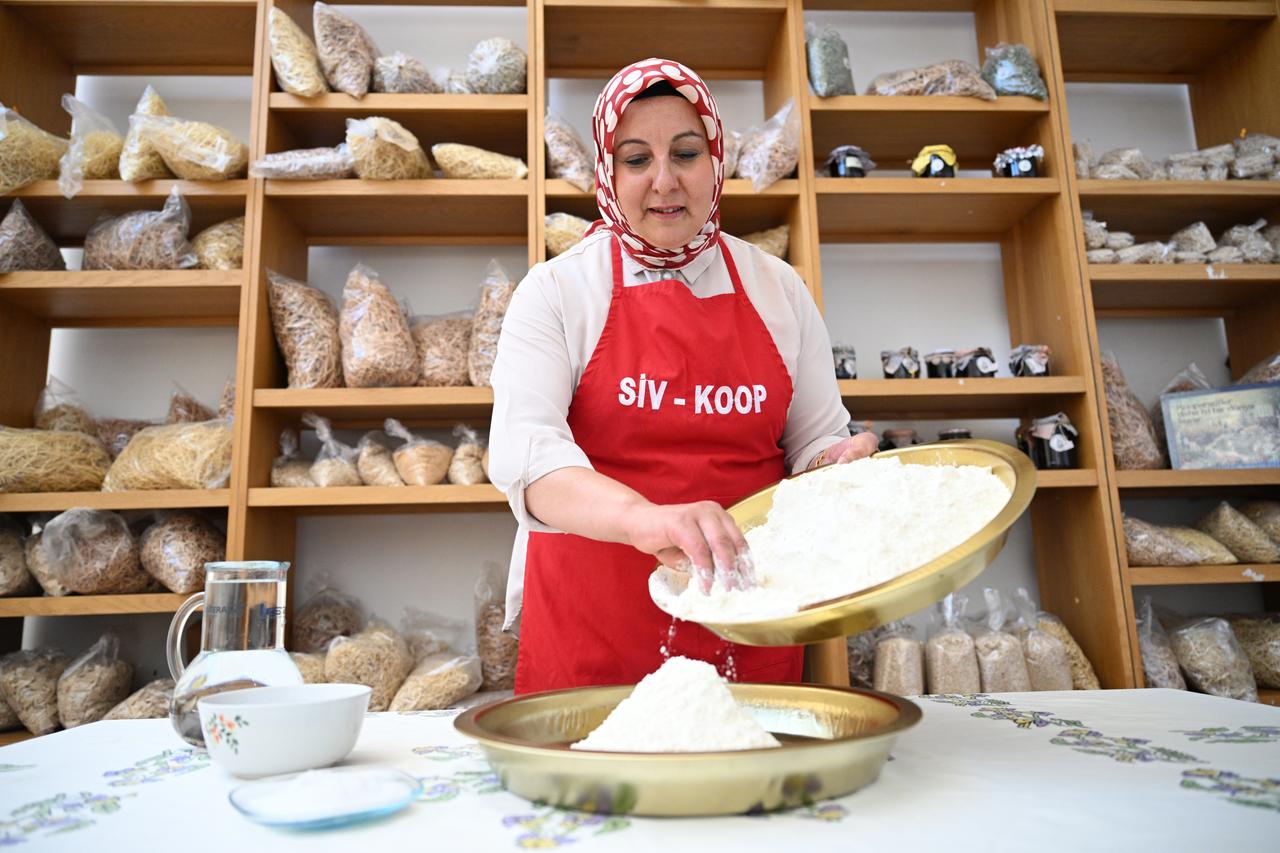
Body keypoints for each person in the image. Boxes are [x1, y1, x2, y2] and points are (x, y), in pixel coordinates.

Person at [488, 58, 877, 694]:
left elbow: (812, 442)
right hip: (597, 632)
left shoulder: (777, 288)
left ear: (716, 160)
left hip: (751, 621)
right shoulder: (557, 291)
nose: (664, 181)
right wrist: (647, 520)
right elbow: (527, 460)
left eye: (686, 153)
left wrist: (838, 464)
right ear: (608, 173)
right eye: (636, 159)